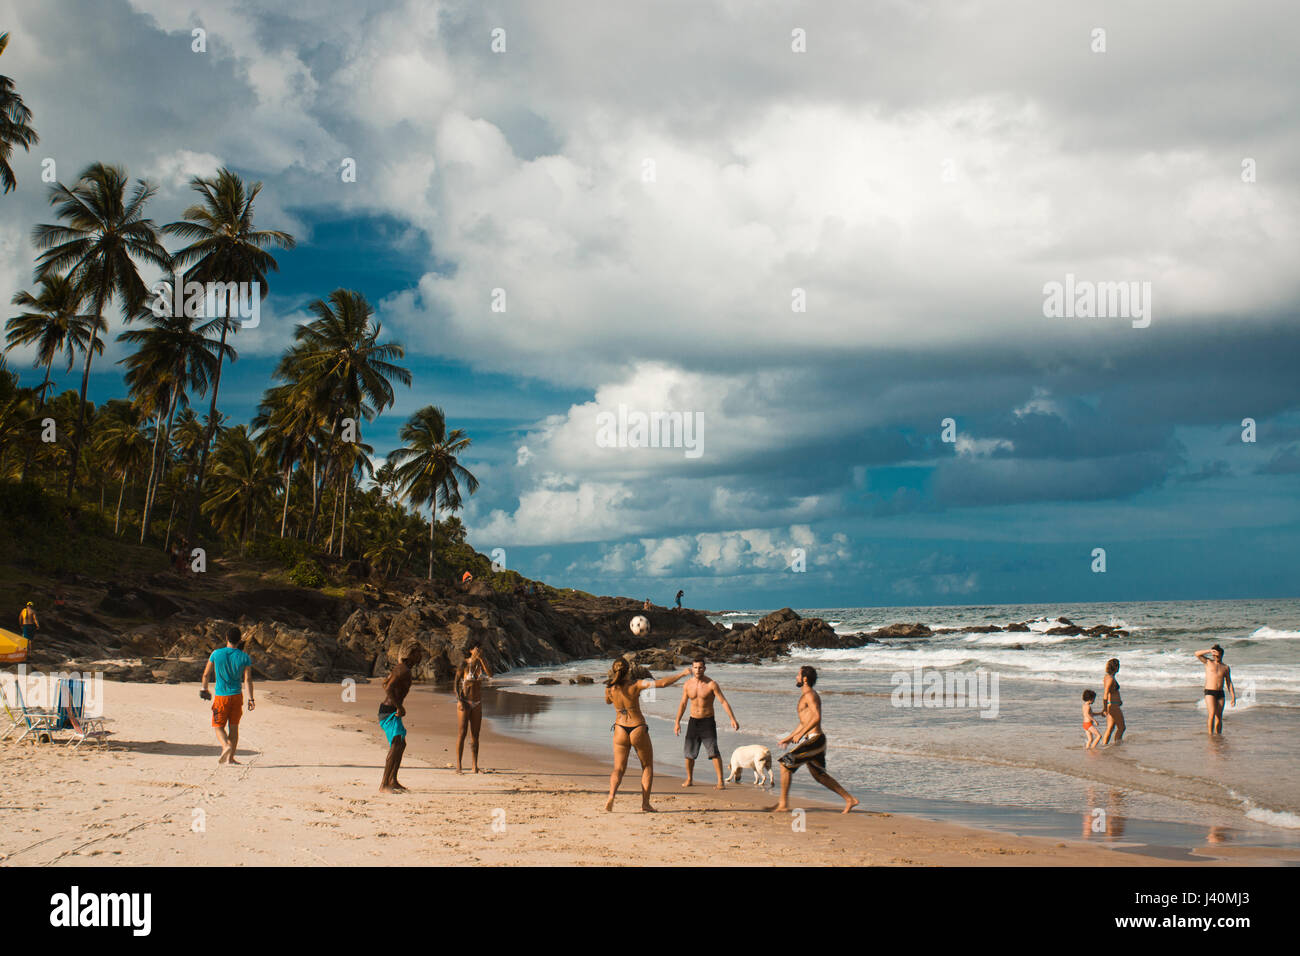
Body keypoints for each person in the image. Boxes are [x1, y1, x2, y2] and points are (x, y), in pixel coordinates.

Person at [603, 659, 690, 812]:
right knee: (647, 766)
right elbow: (662, 683)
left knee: (618, 768)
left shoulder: (609, 688)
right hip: (637, 727)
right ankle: (645, 803)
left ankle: (611, 796)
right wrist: (682, 674)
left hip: (620, 728)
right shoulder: (636, 685)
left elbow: (608, 702)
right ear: (629, 670)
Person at [773, 665, 858, 814]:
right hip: (812, 739)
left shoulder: (810, 695)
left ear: (805, 679)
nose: (796, 677)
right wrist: (789, 738)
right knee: (820, 776)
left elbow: (817, 718)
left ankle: (783, 804)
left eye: (798, 675)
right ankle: (850, 799)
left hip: (816, 739)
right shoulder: (805, 696)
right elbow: (803, 722)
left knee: (785, 764)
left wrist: (801, 734)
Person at [674, 658, 739, 788]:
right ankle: (689, 779)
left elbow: (723, 701)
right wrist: (677, 722)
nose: (698, 670)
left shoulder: (711, 684)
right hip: (693, 721)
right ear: (692, 668)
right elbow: (683, 704)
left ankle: (720, 781)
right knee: (689, 753)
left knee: (713, 751)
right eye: (695, 667)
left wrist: (732, 719)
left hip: (707, 722)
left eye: (700, 667)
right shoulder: (687, 684)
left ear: (705, 668)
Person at [199, 626, 255, 765]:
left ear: (226, 638)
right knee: (234, 727)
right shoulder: (244, 657)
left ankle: (226, 746)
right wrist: (251, 698)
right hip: (237, 696)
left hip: (221, 697)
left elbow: (206, 674)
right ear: (240, 640)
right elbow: (247, 679)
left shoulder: (216, 654)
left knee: (218, 726)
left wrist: (204, 689)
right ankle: (230, 758)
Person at [378, 640, 423, 793]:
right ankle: (384, 784)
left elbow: (385, 684)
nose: (421, 656)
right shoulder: (403, 669)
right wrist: (399, 706)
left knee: (401, 744)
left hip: (391, 710)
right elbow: (388, 688)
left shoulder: (402, 668)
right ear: (411, 654)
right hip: (389, 711)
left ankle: (393, 780)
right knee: (396, 744)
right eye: (418, 653)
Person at [454, 646, 493, 773]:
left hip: (477, 702)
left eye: (480, 649)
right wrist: (459, 700)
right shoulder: (464, 664)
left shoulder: (482, 663)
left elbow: (490, 674)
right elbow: (455, 683)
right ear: (471, 650)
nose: (479, 650)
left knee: (475, 735)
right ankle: (459, 766)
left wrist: (481, 659)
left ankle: (474, 766)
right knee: (462, 733)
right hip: (465, 702)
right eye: (476, 648)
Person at [1195, 644, 1235, 735]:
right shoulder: (1208, 662)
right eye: (1214, 655)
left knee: (1219, 716)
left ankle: (1218, 736)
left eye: (1217, 655)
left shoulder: (1225, 667)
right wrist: (1209, 651)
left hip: (1220, 693)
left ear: (1221, 655)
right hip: (1210, 692)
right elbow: (1197, 654)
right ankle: (1210, 735)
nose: (1215, 657)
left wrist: (1233, 696)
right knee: (1212, 714)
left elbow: (1229, 683)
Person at [1101, 658, 1124, 744]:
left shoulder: (1108, 677)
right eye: (1118, 666)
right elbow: (1106, 693)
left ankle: (1104, 745)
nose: (1119, 668)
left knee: (1110, 728)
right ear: (1115, 667)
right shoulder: (1110, 679)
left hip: (1112, 704)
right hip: (1113, 706)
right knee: (1122, 728)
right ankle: (1117, 745)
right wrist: (1104, 708)